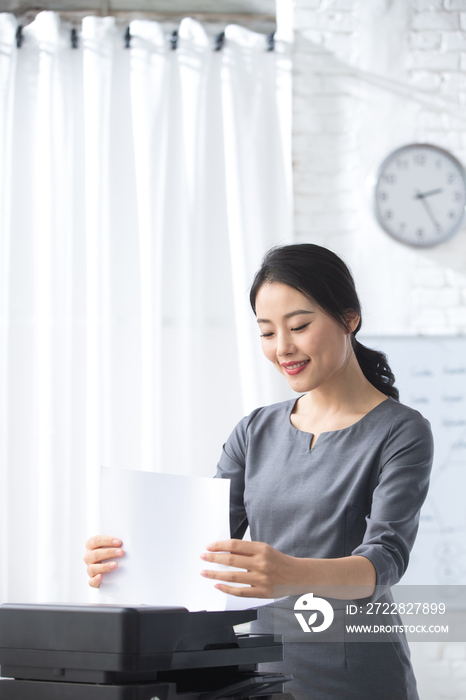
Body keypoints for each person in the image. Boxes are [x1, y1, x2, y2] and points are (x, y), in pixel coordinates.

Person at [84, 244, 433, 700]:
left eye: (300, 326)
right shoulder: (254, 431)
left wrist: (290, 574)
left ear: (350, 318)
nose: (282, 348)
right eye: (267, 332)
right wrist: (122, 562)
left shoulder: (400, 431)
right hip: (260, 675)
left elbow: (385, 560)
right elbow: (200, 546)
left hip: (359, 676)